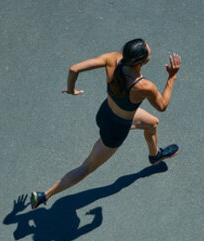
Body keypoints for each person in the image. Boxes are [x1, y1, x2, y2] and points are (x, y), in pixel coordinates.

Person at [29, 38, 181, 209]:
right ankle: (44, 196)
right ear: (142, 61)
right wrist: (172, 77)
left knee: (152, 123)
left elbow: (74, 69)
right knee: (87, 167)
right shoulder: (144, 86)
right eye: (149, 53)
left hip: (105, 113)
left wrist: (71, 90)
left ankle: (155, 156)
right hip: (116, 130)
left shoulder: (113, 58)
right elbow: (162, 106)